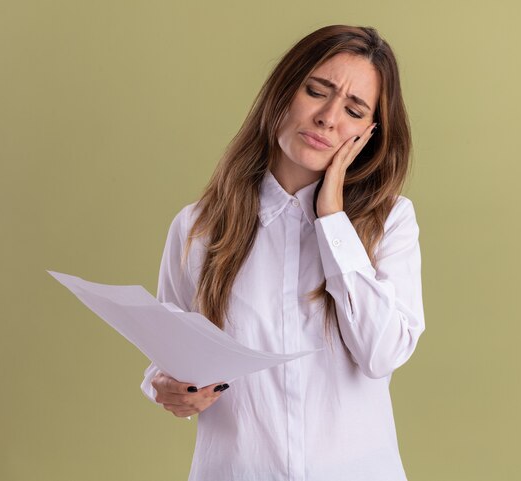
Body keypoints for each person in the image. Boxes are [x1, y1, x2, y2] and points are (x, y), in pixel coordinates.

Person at [140, 24, 425, 481]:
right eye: (317, 91)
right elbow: (169, 350)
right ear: (282, 92)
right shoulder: (199, 228)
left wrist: (332, 218)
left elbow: (382, 353)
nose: (329, 118)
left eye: (353, 110)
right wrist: (164, 386)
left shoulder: (389, 222)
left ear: (368, 133)